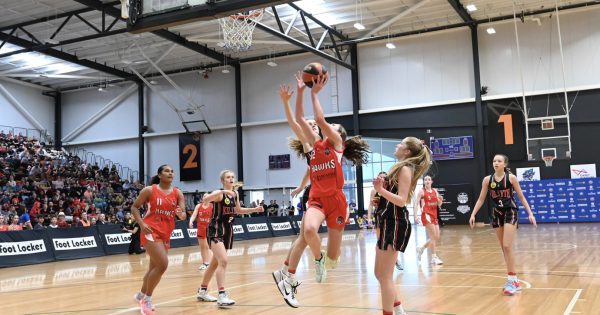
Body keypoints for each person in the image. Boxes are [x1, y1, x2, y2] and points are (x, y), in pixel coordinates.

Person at [276, 74, 369, 308]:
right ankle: (308, 264)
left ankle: (316, 263)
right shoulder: (313, 146)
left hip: (337, 202)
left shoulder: (337, 144)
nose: (326, 126)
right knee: (307, 230)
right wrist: (298, 93)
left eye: (331, 126)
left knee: (334, 259)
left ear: (338, 134)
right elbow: (298, 119)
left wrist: (314, 93)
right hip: (317, 199)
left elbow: (318, 118)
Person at [272, 77, 321, 296]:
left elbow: (310, 171)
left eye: (313, 124)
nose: (309, 126)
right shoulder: (309, 144)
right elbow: (294, 123)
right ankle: (286, 274)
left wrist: (301, 186)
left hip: (328, 195)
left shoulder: (327, 142)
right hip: (317, 196)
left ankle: (284, 271)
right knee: (304, 237)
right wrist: (285, 102)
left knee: (303, 238)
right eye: (307, 125)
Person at [373, 137, 431, 315]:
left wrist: (381, 191)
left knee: (385, 276)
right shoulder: (398, 167)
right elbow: (393, 198)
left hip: (395, 223)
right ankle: (398, 308)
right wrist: (381, 199)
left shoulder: (405, 169)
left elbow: (402, 200)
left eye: (401, 144)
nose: (397, 145)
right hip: (387, 220)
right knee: (379, 274)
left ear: (407, 152)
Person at [469, 154, 537, 296]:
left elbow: (521, 196)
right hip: (497, 213)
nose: (496, 163)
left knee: (507, 245)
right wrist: (473, 214)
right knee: (503, 248)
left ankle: (512, 280)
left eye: (499, 161)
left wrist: (530, 213)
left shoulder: (511, 178)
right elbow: (481, 199)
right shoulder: (487, 180)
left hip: (510, 211)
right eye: (494, 161)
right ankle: (514, 280)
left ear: (505, 164)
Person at [196, 170, 263, 307]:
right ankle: (222, 295)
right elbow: (205, 199)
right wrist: (220, 193)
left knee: (215, 263)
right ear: (223, 181)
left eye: (232, 177)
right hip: (216, 230)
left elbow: (238, 210)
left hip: (228, 231)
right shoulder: (220, 194)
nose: (231, 179)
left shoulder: (236, 194)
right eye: (228, 177)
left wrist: (254, 209)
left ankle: (202, 291)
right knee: (224, 261)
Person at [131, 165, 186, 315]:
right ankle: (146, 300)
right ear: (160, 175)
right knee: (162, 265)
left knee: (153, 268)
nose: (170, 173)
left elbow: (183, 215)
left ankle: (140, 294)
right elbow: (134, 207)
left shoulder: (178, 193)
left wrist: (181, 214)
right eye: (167, 171)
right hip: (150, 231)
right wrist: (141, 224)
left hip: (166, 233)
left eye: (172, 171)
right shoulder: (149, 190)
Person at [414, 175, 444, 265]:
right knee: (433, 236)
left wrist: (440, 200)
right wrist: (415, 215)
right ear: (424, 182)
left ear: (431, 182)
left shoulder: (435, 191)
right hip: (426, 215)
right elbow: (416, 203)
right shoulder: (421, 192)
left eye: (429, 179)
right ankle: (434, 257)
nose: (427, 181)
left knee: (436, 236)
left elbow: (439, 204)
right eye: (425, 179)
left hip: (434, 215)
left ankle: (421, 248)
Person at [189, 195, 213, 270]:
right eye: (204, 197)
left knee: (208, 246)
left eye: (207, 197)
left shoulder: (213, 206)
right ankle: (205, 263)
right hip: (201, 228)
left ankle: (211, 263)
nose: (205, 198)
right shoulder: (198, 206)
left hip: (210, 229)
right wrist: (191, 221)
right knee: (202, 247)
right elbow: (194, 215)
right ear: (202, 198)